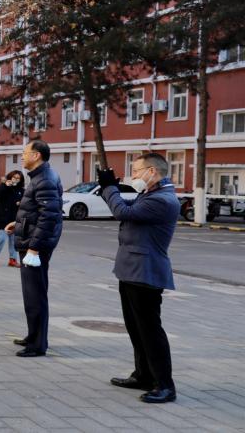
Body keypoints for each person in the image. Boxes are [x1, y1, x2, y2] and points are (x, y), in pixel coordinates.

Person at [98, 153, 179, 403]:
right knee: (135, 327)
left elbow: (123, 212)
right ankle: (143, 374)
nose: (133, 176)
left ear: (152, 171)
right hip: (132, 269)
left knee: (150, 330)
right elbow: (127, 208)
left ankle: (165, 385)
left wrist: (109, 188)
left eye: (135, 171)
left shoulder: (162, 200)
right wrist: (111, 189)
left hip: (146, 272)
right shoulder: (150, 194)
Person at [6, 141, 63, 357]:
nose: (22, 156)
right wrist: (19, 224)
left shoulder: (45, 179)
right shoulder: (40, 176)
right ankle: (34, 336)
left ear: (36, 155)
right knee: (32, 293)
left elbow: (49, 217)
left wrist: (34, 248)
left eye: (25, 153)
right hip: (31, 240)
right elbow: (38, 212)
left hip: (35, 246)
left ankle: (38, 345)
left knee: (35, 294)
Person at [0, 171, 24, 267]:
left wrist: (20, 203)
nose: (15, 180)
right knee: (1, 239)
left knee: (13, 240)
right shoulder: (4, 187)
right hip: (3, 218)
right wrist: (5, 185)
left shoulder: (21, 190)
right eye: (14, 177)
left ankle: (13, 259)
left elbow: (25, 202)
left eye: (18, 178)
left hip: (15, 219)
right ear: (10, 177)